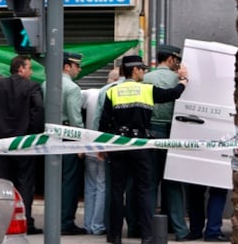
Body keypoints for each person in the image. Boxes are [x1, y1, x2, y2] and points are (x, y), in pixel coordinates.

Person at [98, 55, 189, 244]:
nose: (145, 72)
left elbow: (104, 121)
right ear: (135, 70)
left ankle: (114, 236)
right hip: (141, 146)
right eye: (143, 69)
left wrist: (101, 147)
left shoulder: (113, 91)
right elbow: (173, 94)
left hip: (117, 145)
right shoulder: (147, 90)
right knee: (144, 190)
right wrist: (184, 80)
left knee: (117, 190)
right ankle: (147, 236)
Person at [0, 55, 44, 235]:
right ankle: (25, 221)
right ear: (21, 69)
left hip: (1, 143)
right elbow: (38, 111)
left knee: (3, 184)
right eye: (29, 68)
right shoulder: (33, 87)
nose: (31, 72)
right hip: (24, 144)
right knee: (25, 183)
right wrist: (32, 135)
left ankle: (2, 222)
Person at [143, 44, 192, 241]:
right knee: (173, 183)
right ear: (171, 60)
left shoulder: (146, 78)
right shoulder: (178, 80)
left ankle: (149, 230)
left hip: (150, 133)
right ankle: (180, 231)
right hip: (173, 133)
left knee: (151, 183)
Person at [41, 51, 86, 235]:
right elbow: (76, 118)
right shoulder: (73, 88)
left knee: (53, 179)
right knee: (69, 180)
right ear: (67, 66)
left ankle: (52, 220)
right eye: (77, 66)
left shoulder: (45, 84)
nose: (79, 69)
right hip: (68, 135)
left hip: (50, 135)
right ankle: (66, 222)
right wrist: (81, 142)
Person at [82, 67, 121, 235]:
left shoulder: (90, 93)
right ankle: (98, 225)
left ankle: (88, 224)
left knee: (90, 186)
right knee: (102, 185)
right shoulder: (112, 94)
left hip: (87, 146)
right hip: (102, 147)